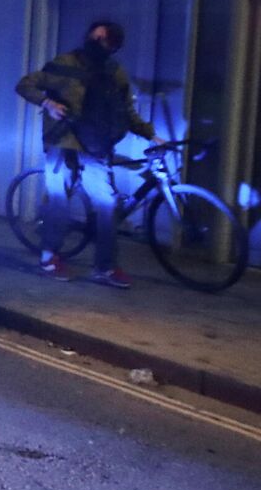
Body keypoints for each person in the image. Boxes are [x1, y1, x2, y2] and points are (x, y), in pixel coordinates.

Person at [14, 21, 160, 289]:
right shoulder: (66, 62)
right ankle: (48, 259)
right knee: (59, 200)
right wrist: (48, 103)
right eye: (95, 34)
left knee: (107, 204)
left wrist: (151, 135)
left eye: (103, 38)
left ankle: (104, 267)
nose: (96, 38)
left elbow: (126, 112)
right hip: (64, 142)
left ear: (113, 46)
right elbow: (26, 84)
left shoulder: (115, 73)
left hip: (96, 146)